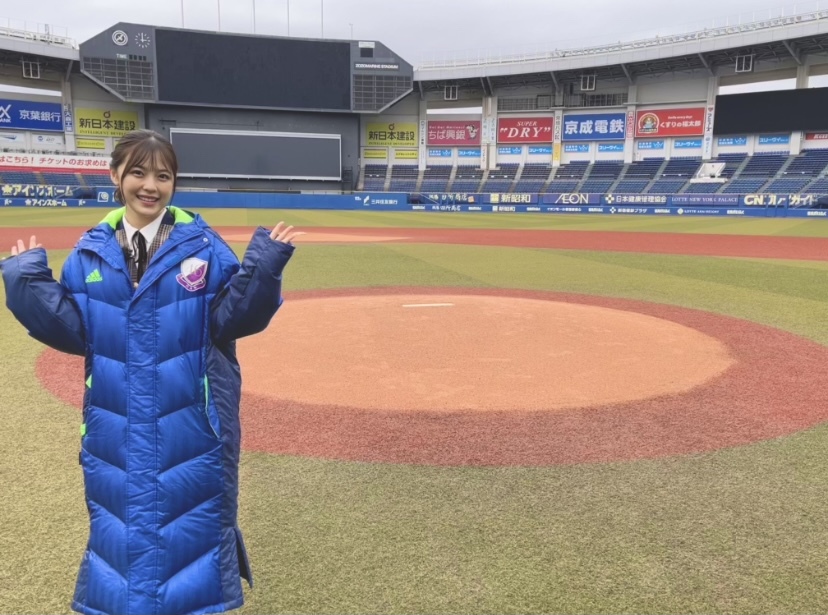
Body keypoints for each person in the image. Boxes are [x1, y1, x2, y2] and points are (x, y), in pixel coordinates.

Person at [0, 129, 303, 615]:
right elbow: (75, 333)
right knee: (120, 539)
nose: (150, 186)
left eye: (163, 176)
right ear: (115, 175)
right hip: (114, 426)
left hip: (192, 427)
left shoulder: (204, 247)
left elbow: (231, 321)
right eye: (138, 172)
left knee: (193, 543)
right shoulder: (88, 254)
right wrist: (23, 282)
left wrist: (263, 269)